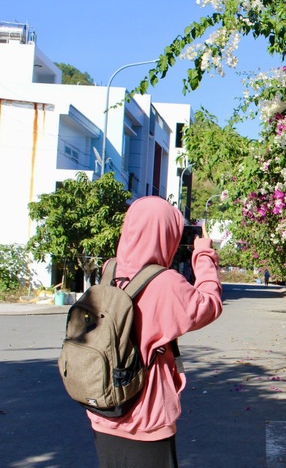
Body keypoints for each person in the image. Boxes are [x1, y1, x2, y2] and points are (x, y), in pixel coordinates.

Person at [89, 196, 223, 467]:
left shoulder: (109, 270)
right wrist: (204, 253)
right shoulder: (165, 283)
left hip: (104, 408)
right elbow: (210, 305)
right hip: (146, 418)